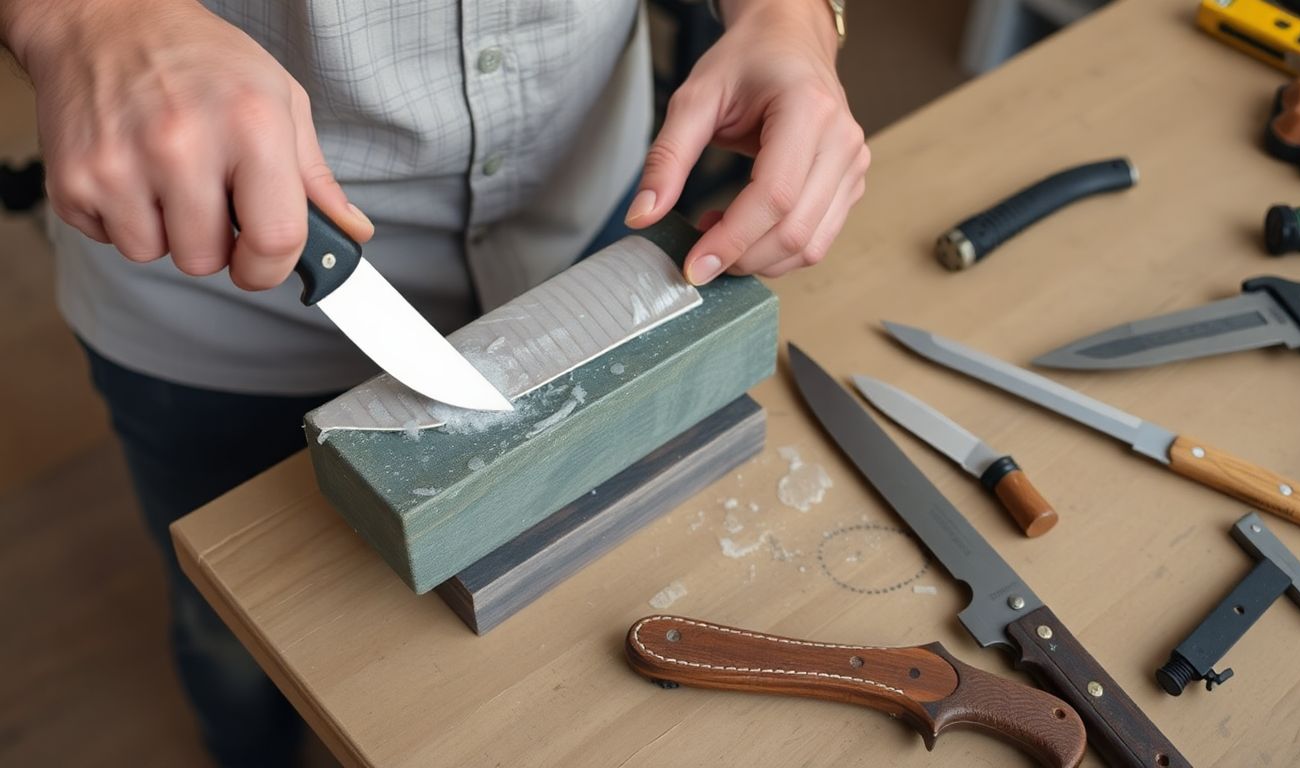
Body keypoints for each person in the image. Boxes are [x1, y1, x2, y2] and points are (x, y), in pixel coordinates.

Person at [0, 0, 868, 764]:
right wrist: (80, 16)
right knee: (229, 627)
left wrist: (786, 17)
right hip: (217, 292)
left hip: (593, 229)